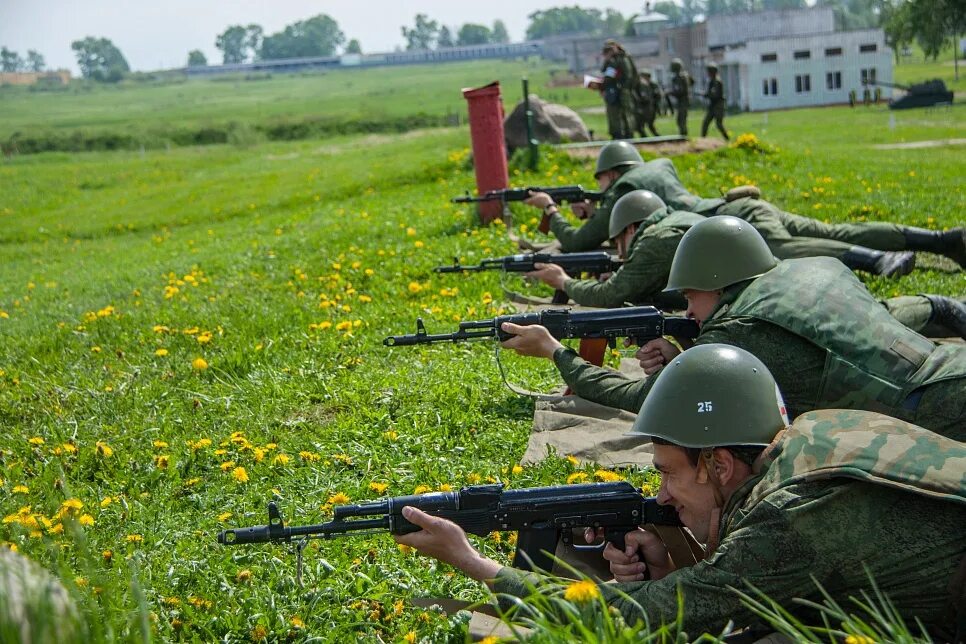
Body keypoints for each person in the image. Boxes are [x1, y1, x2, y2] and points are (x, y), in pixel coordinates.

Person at [394, 345, 965, 639]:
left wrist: (474, 564)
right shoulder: (816, 430)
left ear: (717, 463)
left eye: (668, 472)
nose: (662, 495)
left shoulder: (791, 519)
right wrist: (686, 556)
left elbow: (637, 617)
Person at [500, 217, 966, 439]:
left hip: (934, 422)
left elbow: (637, 398)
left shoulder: (737, 329)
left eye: (689, 297)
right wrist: (688, 355)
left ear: (718, 283)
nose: (688, 310)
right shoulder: (814, 269)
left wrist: (555, 352)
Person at [630, 156, 966, 269]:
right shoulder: (659, 172)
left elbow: (583, 235)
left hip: (741, 217)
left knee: (780, 250)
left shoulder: (626, 192)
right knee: (832, 232)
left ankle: (876, 260)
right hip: (747, 205)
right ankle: (941, 240)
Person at [600, 40, 636, 140]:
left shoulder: (620, 59)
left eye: (609, 50)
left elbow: (626, 75)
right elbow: (605, 71)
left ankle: (625, 135)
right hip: (618, 90)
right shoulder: (617, 59)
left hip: (621, 90)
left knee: (622, 114)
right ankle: (622, 134)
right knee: (618, 114)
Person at [700, 63, 728, 140]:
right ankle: (703, 140)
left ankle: (727, 138)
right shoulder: (711, 81)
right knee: (705, 123)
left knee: (719, 124)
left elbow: (715, 95)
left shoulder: (717, 82)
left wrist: (706, 95)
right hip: (713, 106)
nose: (708, 73)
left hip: (718, 106)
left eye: (709, 71)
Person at [668, 58, 692, 136]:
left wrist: (671, 92)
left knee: (682, 120)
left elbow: (680, 91)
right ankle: (683, 135)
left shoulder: (680, 77)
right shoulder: (684, 76)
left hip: (683, 101)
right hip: (682, 101)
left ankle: (684, 136)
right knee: (680, 120)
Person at [634, 70, 660, 138]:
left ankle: (651, 138)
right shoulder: (643, 84)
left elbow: (645, 97)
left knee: (643, 125)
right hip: (647, 107)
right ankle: (650, 138)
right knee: (642, 126)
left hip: (647, 108)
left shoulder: (645, 85)